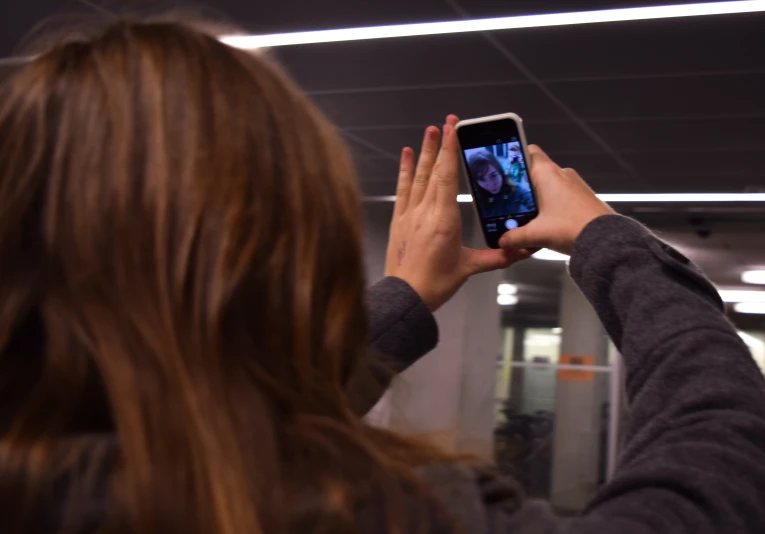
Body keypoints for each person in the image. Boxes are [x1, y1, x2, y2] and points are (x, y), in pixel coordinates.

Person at [1, 17, 765, 534]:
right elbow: (717, 461)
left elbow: (222, 420)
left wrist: (403, 297)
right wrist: (611, 241)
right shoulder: (385, 512)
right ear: (291, 255)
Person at [468, 150, 535, 218]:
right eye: (482, 179)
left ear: (500, 171)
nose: (491, 184)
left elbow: (530, 200)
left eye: (493, 175)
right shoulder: (474, 199)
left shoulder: (514, 188)